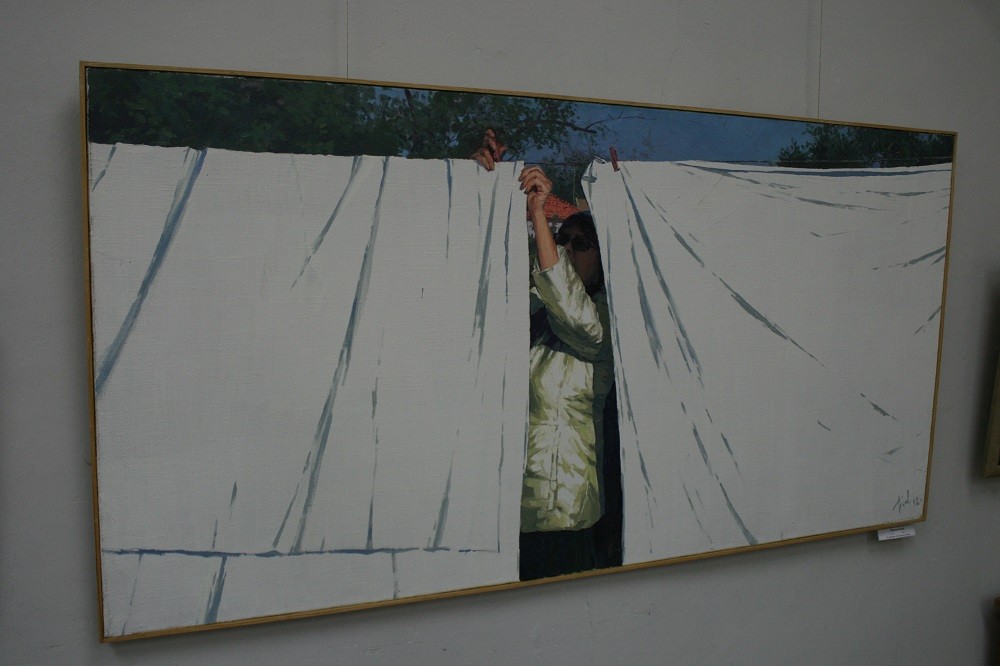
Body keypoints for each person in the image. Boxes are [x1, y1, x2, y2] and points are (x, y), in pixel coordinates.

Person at [475, 141, 616, 579]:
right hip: (500, 508)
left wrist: (539, 214)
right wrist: (484, 189)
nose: (568, 249)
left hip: (562, 515)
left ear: (604, 260)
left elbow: (575, 314)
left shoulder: (607, 319)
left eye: (581, 243)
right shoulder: (535, 303)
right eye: (562, 240)